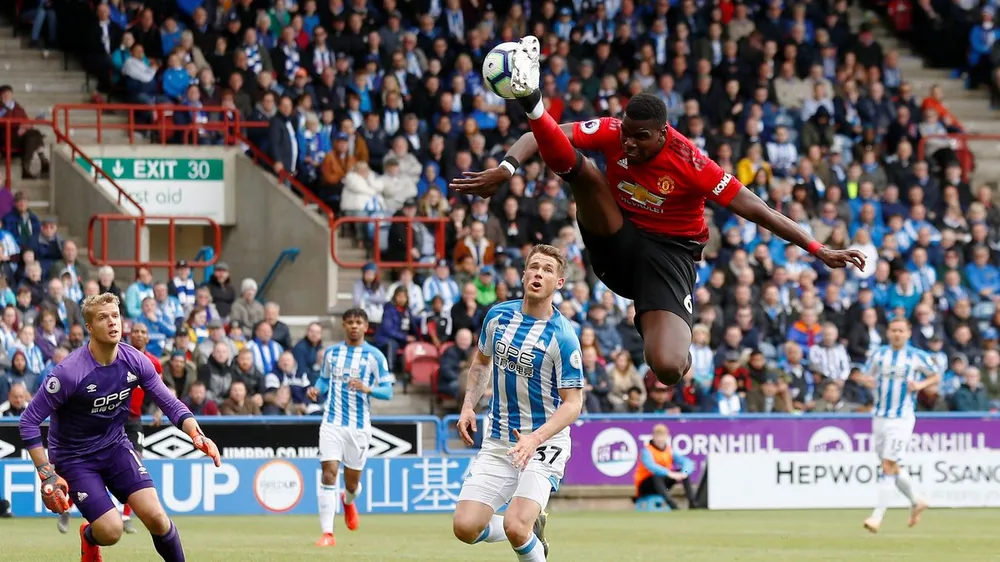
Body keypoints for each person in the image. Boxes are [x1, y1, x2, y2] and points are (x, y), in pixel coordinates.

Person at [453, 36, 865, 387]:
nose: (628, 145)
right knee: (586, 177)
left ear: (664, 135)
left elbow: (758, 210)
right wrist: (506, 168)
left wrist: (818, 248)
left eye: (641, 139)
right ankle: (532, 99)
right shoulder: (616, 132)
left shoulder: (692, 163)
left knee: (667, 368)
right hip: (619, 234)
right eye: (626, 135)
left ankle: (673, 335)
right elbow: (540, 138)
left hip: (670, 256)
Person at [17, 293, 220, 562]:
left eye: (115, 315)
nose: (113, 322)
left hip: (115, 447)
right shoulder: (68, 373)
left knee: (158, 519)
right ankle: (89, 537)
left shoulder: (135, 361)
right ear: (89, 328)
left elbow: (169, 403)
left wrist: (196, 433)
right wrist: (47, 474)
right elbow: (28, 422)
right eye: (103, 317)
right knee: (111, 531)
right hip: (75, 458)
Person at [452, 244, 585, 562]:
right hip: (499, 441)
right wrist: (469, 405)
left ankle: (528, 534)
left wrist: (535, 438)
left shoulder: (563, 337)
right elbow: (482, 364)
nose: (539, 273)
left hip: (543, 443)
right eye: (534, 267)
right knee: (465, 527)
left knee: (515, 525)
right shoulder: (497, 316)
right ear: (524, 274)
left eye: (548, 270)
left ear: (559, 283)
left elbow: (573, 404)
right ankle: (532, 533)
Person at [306, 308, 395, 547]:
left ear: (366, 326)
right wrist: (317, 389)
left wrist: (368, 389)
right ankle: (328, 534)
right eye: (350, 322)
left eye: (358, 322)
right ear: (344, 325)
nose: (354, 326)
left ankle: (348, 500)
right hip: (331, 422)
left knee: (352, 483)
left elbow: (388, 391)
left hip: (358, 427)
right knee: (328, 473)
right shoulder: (332, 353)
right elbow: (324, 380)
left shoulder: (375, 356)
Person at [861, 317, 937, 534]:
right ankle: (916, 500)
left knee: (888, 465)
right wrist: (867, 381)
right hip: (879, 416)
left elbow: (935, 375)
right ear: (888, 333)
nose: (897, 334)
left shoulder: (916, 356)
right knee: (892, 466)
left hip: (901, 418)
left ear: (908, 333)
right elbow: (868, 375)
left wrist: (920, 384)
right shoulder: (878, 354)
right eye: (893, 330)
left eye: (901, 330)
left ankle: (877, 516)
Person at [633, 423, 696, 510]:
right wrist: (669, 473)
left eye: (662, 436)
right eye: (658, 436)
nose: (660, 439)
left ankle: (693, 503)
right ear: (653, 436)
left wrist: (684, 473)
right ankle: (672, 505)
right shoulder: (646, 451)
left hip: (663, 486)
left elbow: (688, 462)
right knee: (656, 476)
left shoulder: (669, 451)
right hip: (645, 487)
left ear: (666, 437)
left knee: (683, 472)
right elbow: (651, 466)